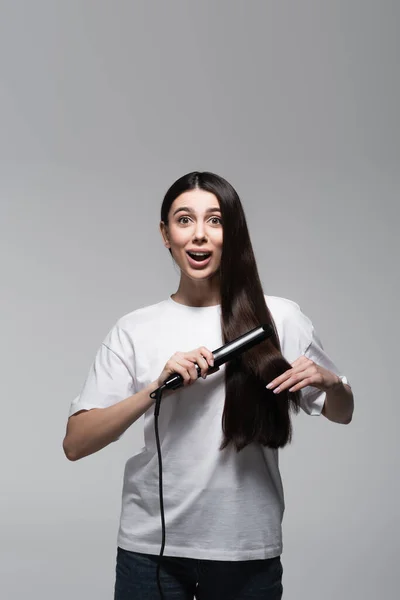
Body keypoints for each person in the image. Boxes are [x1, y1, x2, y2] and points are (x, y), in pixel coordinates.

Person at [63, 171, 354, 600]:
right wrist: (155, 390)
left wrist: (333, 382)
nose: (199, 236)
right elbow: (75, 443)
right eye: (184, 220)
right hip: (151, 553)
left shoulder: (280, 318)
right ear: (166, 234)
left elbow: (343, 412)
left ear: (231, 233)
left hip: (247, 549)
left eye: (214, 221)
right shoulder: (134, 328)